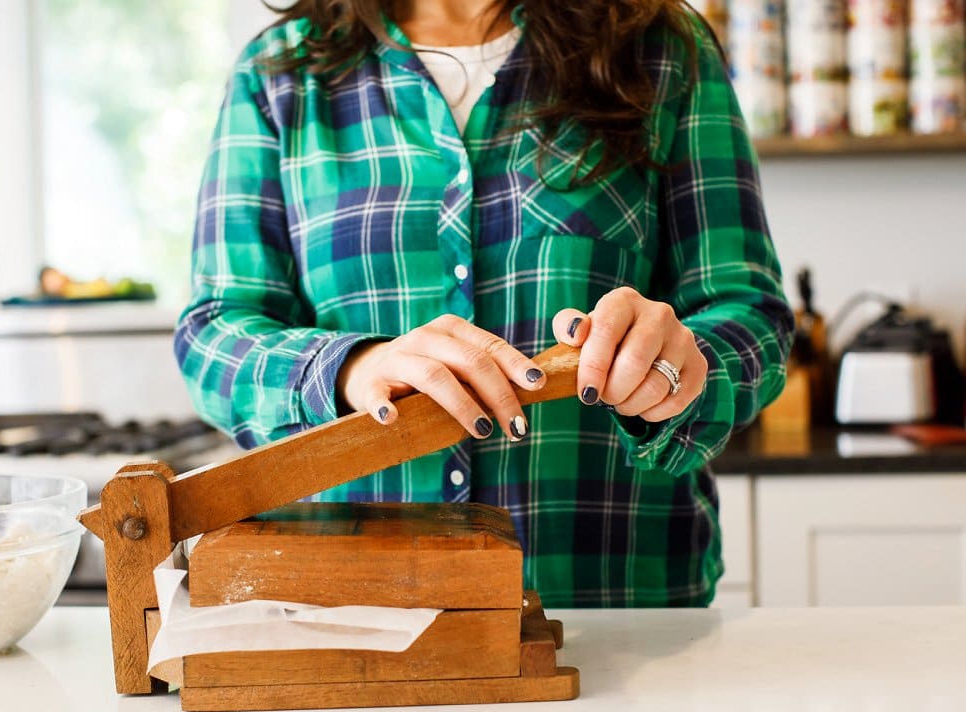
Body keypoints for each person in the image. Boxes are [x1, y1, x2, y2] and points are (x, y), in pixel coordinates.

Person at [175, 0, 794, 607]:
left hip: (615, 605)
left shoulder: (663, 46)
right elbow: (214, 329)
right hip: (351, 615)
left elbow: (748, 312)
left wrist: (680, 368)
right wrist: (350, 368)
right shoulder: (280, 70)